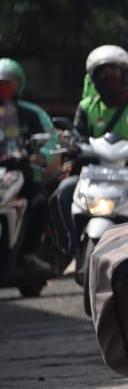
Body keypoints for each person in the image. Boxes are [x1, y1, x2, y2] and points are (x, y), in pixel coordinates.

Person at [53, 45, 128, 260]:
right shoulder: (87, 107)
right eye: (102, 73)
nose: (108, 78)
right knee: (65, 190)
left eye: (114, 72)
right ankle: (73, 245)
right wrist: (73, 143)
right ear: (93, 79)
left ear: (125, 74)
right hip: (94, 174)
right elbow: (78, 135)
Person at [0, 58, 57, 277]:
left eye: (8, 82)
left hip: (24, 173)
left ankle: (29, 254)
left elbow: (50, 140)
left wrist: (41, 155)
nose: (4, 88)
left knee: (40, 203)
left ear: (18, 84)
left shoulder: (32, 113)